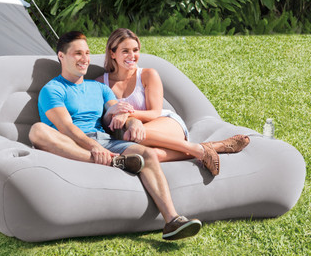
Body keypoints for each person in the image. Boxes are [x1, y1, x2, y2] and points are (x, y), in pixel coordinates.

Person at [29, 31, 201, 241]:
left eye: (87, 53)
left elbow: (116, 111)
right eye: (77, 54)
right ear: (61, 56)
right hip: (71, 143)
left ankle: (172, 220)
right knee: (37, 130)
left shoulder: (100, 88)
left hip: (105, 141)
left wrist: (133, 121)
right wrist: (93, 147)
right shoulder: (53, 89)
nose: (85, 59)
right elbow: (65, 127)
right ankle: (115, 162)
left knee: (145, 153)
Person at [96, 28, 250, 174]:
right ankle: (212, 147)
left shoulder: (148, 75)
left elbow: (155, 112)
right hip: (138, 138)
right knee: (150, 155)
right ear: (113, 53)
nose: (132, 56)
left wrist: (127, 114)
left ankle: (199, 151)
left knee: (131, 135)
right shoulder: (100, 83)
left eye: (135, 50)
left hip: (164, 124)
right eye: (125, 51)